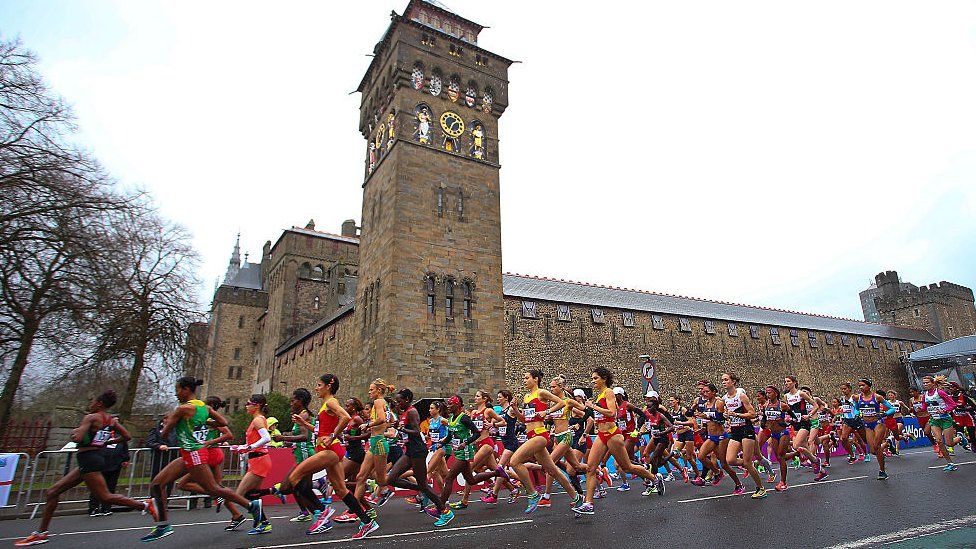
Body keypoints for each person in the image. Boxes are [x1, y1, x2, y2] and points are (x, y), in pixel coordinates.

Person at [16, 391, 155, 547]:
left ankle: (144, 505)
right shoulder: (111, 420)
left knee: (105, 497)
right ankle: (41, 533)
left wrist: (74, 433)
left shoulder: (90, 417)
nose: (90, 404)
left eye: (92, 402)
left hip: (89, 460)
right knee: (52, 492)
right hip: (93, 459)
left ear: (99, 404)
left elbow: (78, 438)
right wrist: (106, 442)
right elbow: (127, 436)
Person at [140, 377, 262, 542]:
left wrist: (173, 423)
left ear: (186, 389)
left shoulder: (183, 409)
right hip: (190, 452)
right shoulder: (203, 407)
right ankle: (163, 525)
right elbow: (223, 421)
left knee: (214, 489)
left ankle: (250, 506)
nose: (176, 394)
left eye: (177, 390)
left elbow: (164, 434)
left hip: (194, 453)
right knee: (157, 484)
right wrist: (204, 421)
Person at [278, 374, 378, 539]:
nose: (316, 388)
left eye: (318, 385)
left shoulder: (331, 402)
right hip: (330, 449)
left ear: (328, 386)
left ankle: (322, 514)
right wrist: (304, 424)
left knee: (295, 477)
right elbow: (319, 432)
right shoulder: (326, 404)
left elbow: (345, 417)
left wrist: (333, 435)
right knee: (341, 490)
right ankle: (367, 522)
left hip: (330, 450)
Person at [573, 367, 656, 515]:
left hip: (612, 434)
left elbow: (612, 413)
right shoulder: (599, 396)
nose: (593, 381)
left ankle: (654, 478)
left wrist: (593, 407)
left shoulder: (609, 392)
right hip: (601, 435)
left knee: (627, 466)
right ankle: (588, 503)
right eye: (592, 379)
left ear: (604, 379)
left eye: (595, 378)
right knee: (591, 468)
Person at [507, 369, 582, 513]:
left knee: (514, 461)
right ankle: (576, 497)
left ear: (535, 379)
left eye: (527, 378)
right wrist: (515, 409)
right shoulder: (527, 397)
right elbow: (524, 420)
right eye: (524, 378)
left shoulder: (541, 392)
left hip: (540, 435)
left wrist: (547, 412)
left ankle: (532, 494)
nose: (524, 380)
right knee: (552, 470)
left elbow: (561, 402)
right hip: (531, 434)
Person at [386, 389, 451, 526]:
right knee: (391, 479)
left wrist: (401, 429)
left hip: (418, 451)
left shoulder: (412, 411)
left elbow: (416, 431)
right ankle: (421, 489)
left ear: (408, 399)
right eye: (396, 401)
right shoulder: (404, 413)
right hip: (410, 451)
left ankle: (445, 512)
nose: (398, 403)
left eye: (400, 401)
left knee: (424, 484)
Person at [271, 389, 318, 522]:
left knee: (288, 487)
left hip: (305, 454)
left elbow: (304, 437)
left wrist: (283, 438)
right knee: (299, 487)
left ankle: (319, 514)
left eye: (293, 400)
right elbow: (297, 434)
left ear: (301, 401)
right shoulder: (301, 415)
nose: (291, 403)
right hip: (300, 454)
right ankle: (308, 512)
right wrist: (284, 438)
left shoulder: (303, 415)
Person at [353, 379, 395, 509]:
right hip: (375, 442)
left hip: (379, 442)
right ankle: (354, 509)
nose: (369, 392)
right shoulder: (384, 403)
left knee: (381, 479)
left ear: (379, 390)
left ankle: (417, 486)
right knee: (361, 477)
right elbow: (391, 420)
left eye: (371, 389)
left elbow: (382, 419)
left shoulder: (378, 402)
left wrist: (368, 425)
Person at [88, 415, 129, 516]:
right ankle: (94, 507)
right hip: (101, 462)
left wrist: (125, 459)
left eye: (117, 422)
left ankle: (106, 508)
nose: (116, 424)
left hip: (115, 463)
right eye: (114, 421)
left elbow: (125, 446)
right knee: (97, 486)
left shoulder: (120, 435)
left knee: (111, 486)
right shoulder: (101, 432)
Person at [923, 375, 961, 471]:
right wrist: (919, 409)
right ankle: (950, 463)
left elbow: (953, 404)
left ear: (933, 383)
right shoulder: (925, 395)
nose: (925, 384)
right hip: (934, 420)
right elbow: (924, 407)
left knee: (950, 443)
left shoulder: (940, 392)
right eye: (924, 383)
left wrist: (944, 410)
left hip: (945, 419)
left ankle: (960, 438)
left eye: (927, 382)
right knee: (939, 441)